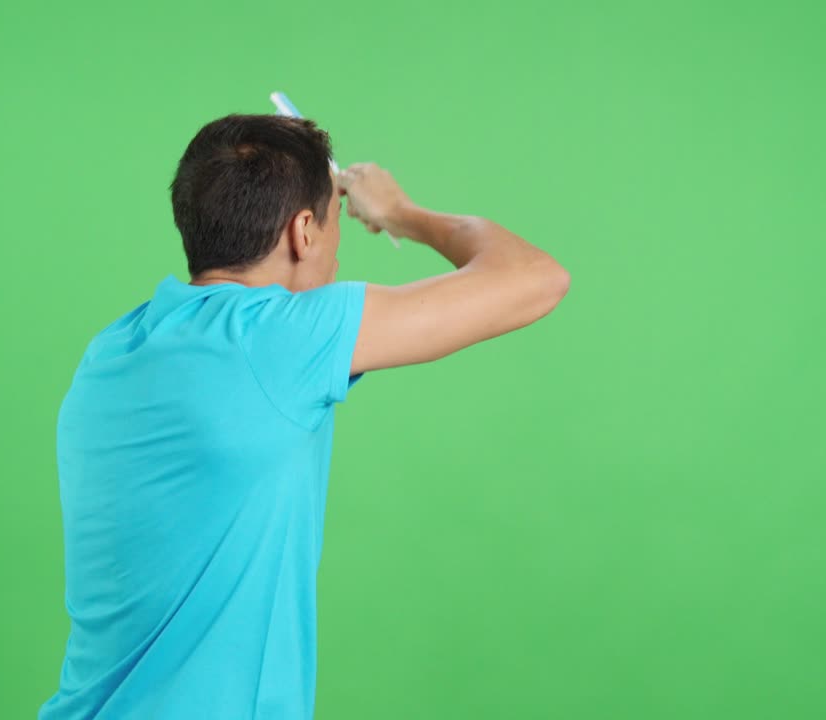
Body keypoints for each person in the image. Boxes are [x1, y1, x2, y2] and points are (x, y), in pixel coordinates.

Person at [39, 114, 570, 719]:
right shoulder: (279, 340)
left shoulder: (111, 350)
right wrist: (399, 213)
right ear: (304, 232)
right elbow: (536, 278)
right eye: (335, 224)